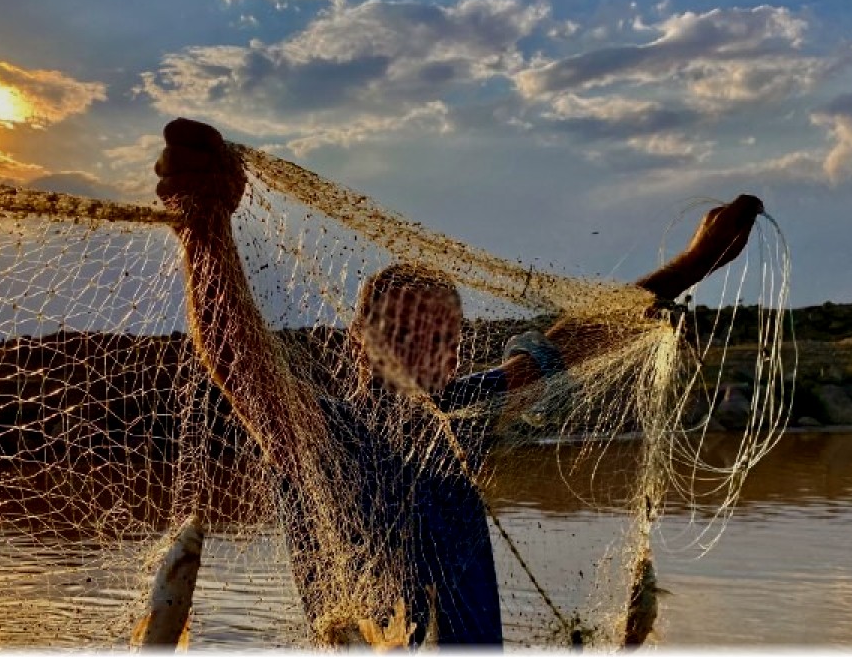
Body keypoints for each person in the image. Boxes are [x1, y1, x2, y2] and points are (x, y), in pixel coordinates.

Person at [154, 117, 761, 647]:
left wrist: (693, 265)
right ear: (359, 339)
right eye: (403, 330)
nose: (425, 348)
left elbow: (572, 344)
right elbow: (241, 362)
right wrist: (204, 230)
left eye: (442, 335)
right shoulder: (327, 433)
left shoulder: (462, 411)